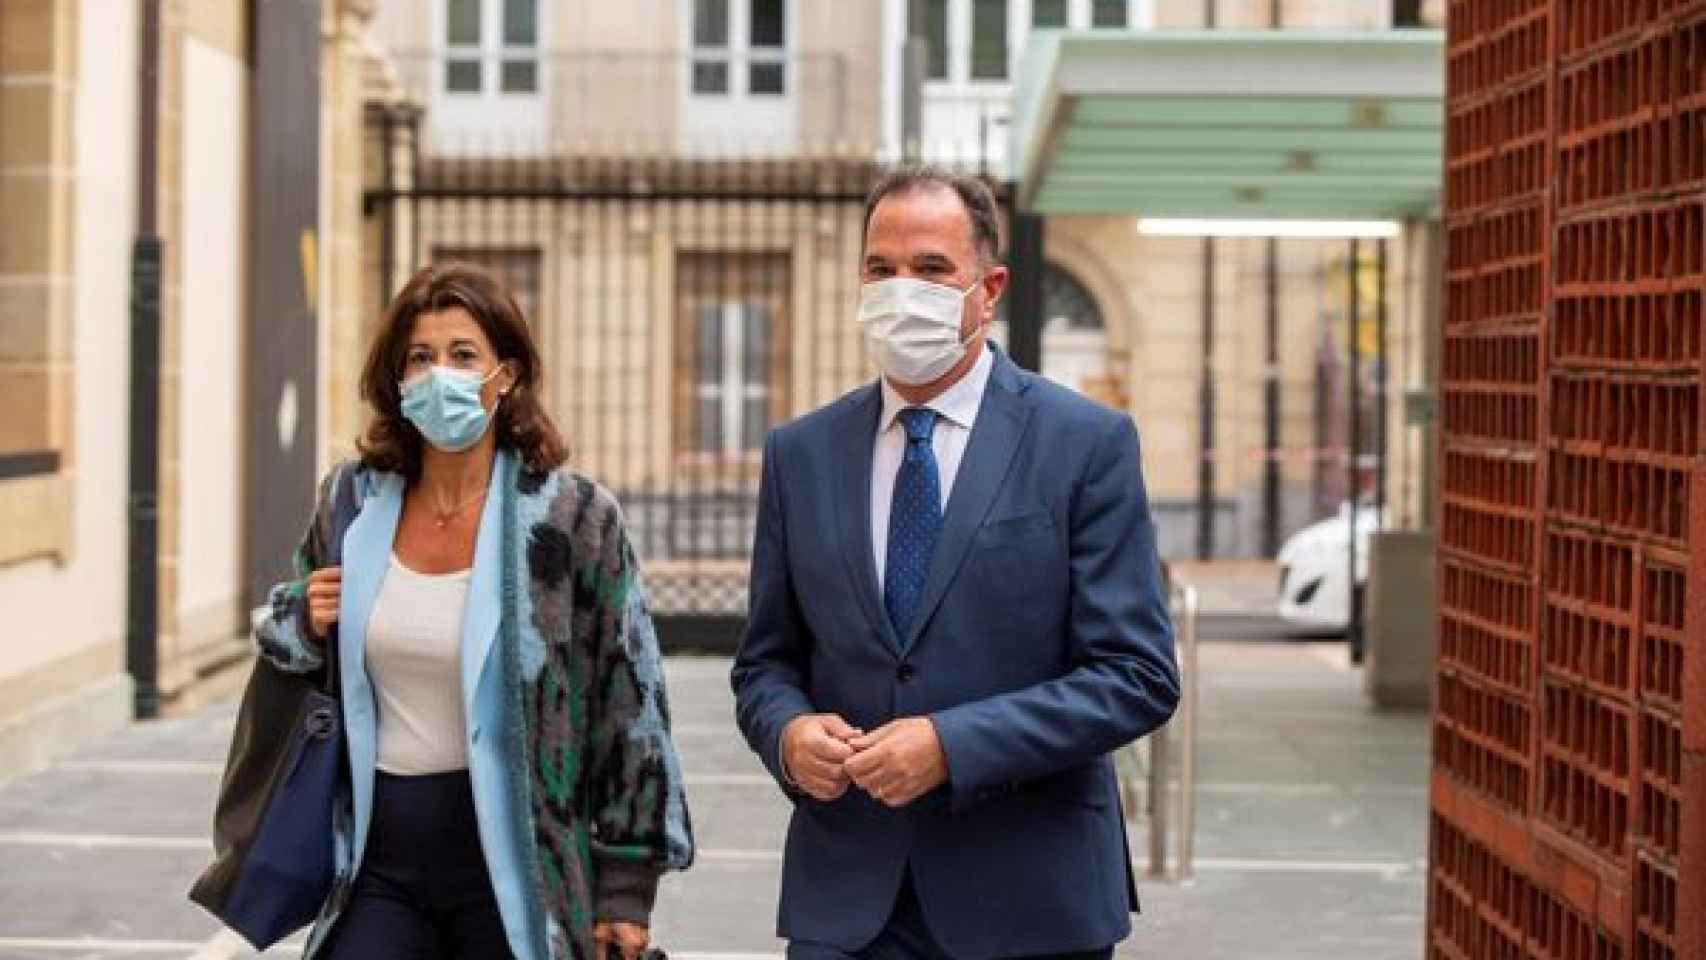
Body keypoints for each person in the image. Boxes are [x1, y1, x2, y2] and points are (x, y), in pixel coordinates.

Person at [731, 165, 1180, 960]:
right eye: (881, 268)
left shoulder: (1085, 445)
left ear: (989, 287)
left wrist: (952, 745)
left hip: (1029, 901)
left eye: (932, 269)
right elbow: (765, 664)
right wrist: (789, 735)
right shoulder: (801, 455)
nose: (902, 290)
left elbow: (1136, 675)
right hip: (847, 901)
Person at [253, 262, 694, 960]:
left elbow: (631, 703)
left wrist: (626, 891)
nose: (440, 375)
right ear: (398, 380)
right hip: (375, 861)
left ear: (506, 375)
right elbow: (286, 631)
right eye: (420, 358)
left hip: (520, 866)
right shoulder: (355, 501)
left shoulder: (573, 516)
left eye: (463, 355)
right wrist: (303, 618)